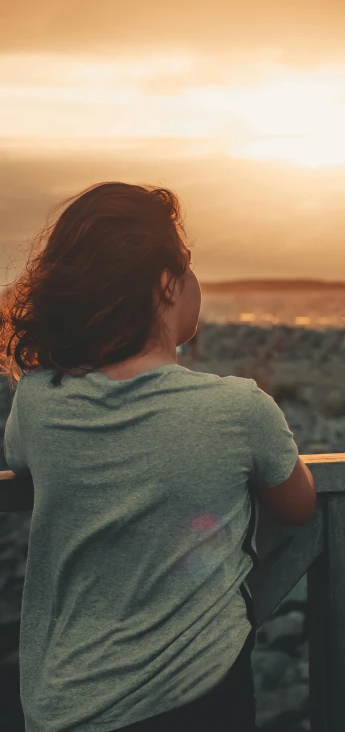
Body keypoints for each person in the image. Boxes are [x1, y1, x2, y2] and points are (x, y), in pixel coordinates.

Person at [0, 182, 316, 732]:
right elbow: (298, 505)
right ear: (166, 285)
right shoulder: (239, 407)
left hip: (64, 705)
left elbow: (21, 461)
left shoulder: (37, 402)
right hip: (197, 700)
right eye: (186, 262)